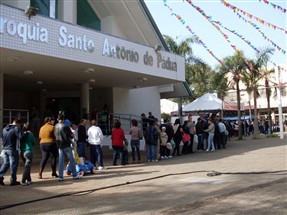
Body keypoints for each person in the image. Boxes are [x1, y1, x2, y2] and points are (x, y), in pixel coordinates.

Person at [55, 114, 82, 181]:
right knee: (72, 160)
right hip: (66, 144)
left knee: (61, 161)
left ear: (57, 119)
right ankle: (74, 175)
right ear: (63, 119)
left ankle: (61, 176)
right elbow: (71, 135)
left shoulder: (55, 126)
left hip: (60, 145)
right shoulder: (65, 126)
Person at [0, 118, 23, 186]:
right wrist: (24, 132)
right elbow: (20, 137)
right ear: (18, 124)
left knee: (5, 164)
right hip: (12, 149)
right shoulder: (16, 129)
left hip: (4, 149)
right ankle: (13, 180)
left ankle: (0, 177)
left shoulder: (4, 129)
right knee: (13, 165)